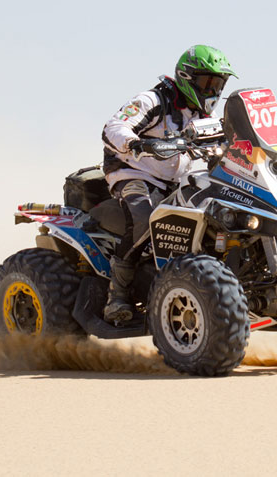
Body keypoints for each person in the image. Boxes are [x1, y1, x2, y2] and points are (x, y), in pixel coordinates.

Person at [101, 45, 237, 323]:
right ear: (186, 78)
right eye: (207, 83)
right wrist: (136, 144)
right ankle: (117, 296)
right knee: (145, 218)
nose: (212, 91)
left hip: (175, 180)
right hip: (133, 173)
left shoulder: (204, 117)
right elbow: (113, 128)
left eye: (218, 85)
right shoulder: (153, 100)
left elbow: (223, 143)